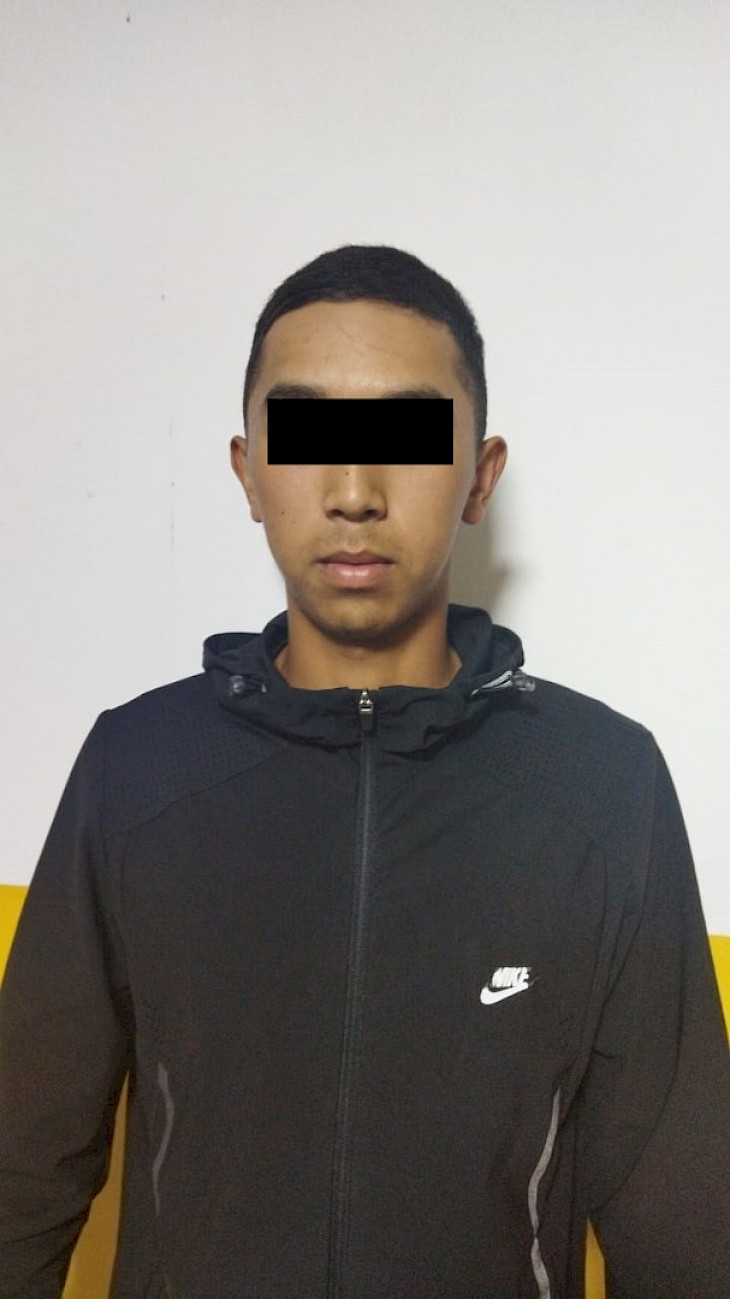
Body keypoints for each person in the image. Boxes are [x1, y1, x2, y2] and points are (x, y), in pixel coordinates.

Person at [0, 245, 728, 1299]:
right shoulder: (140, 767)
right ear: (249, 473)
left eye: (406, 437)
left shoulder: (601, 786)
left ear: (480, 476)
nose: (353, 491)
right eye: (307, 437)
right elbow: (23, 1167)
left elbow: (683, 1222)